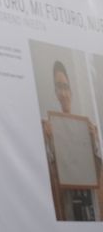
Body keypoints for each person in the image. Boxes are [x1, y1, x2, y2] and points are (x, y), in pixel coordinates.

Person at [43, 60, 101, 222]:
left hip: (90, 198)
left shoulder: (87, 127)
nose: (63, 93)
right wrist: (49, 141)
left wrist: (95, 141)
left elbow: (98, 168)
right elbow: (53, 169)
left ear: (71, 90)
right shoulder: (51, 128)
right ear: (55, 92)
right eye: (59, 87)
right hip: (69, 201)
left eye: (65, 87)